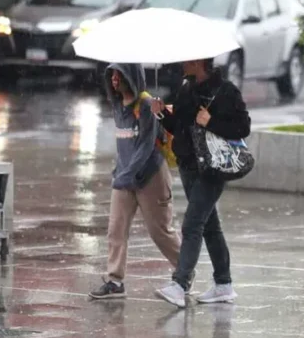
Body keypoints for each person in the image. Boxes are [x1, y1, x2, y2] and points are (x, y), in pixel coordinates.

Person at [150, 60, 251, 308]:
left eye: (187, 60)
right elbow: (179, 127)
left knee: (192, 224)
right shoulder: (187, 88)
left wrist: (211, 122)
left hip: (212, 169)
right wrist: (161, 113)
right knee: (210, 227)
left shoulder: (226, 91)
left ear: (198, 62)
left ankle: (180, 284)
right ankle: (223, 284)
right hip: (188, 166)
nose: (182, 63)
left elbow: (243, 127)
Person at [89, 63, 183, 300]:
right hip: (124, 178)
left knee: (160, 231)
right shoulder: (117, 106)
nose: (114, 80)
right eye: (112, 75)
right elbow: (125, 145)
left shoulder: (146, 105)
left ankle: (184, 270)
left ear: (130, 77)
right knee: (116, 230)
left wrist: (127, 174)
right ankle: (114, 280)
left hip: (151, 176)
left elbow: (145, 145)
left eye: (119, 75)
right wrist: (120, 172)